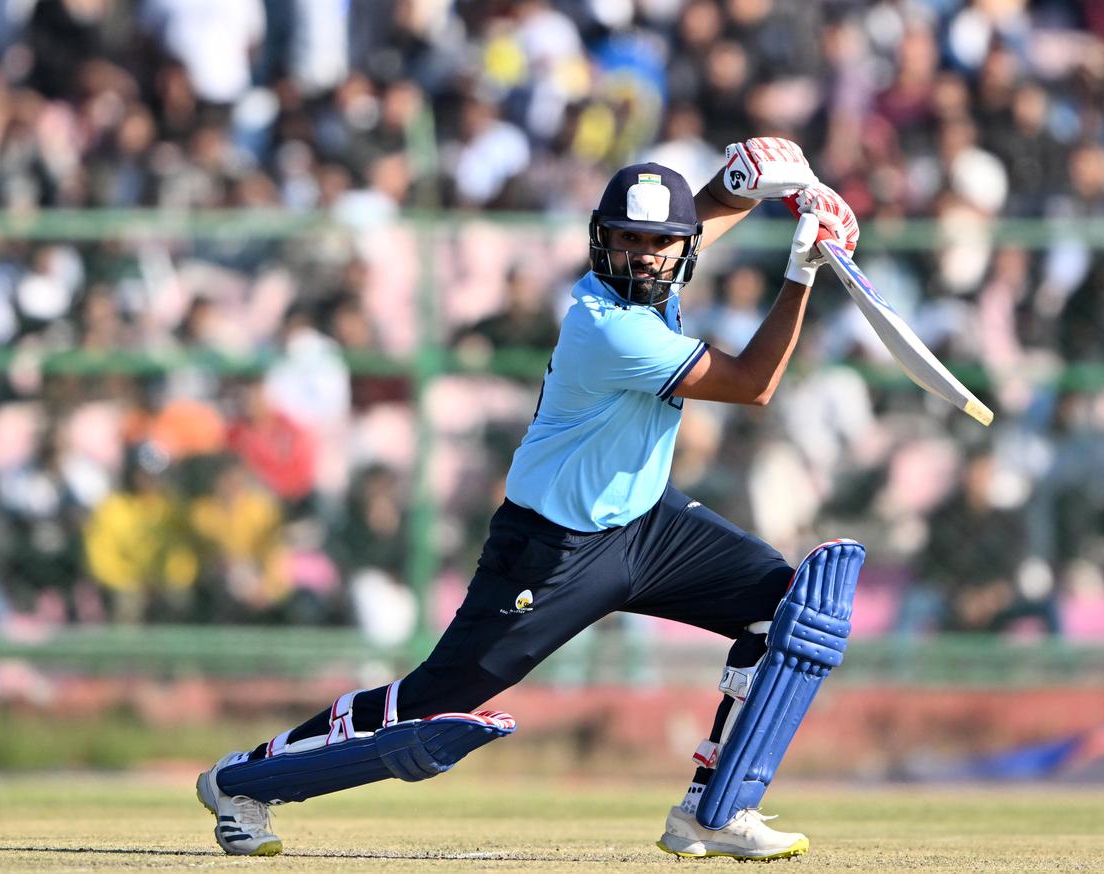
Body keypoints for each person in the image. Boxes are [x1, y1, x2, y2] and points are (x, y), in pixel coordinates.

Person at [196, 139, 865, 860]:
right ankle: (244, 780)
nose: (642, 257)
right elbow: (754, 386)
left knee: (786, 614)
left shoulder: (654, 281)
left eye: (657, 245)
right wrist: (802, 268)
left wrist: (745, 183)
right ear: (600, 243)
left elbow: (691, 220)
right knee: (433, 702)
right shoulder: (608, 327)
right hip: (551, 550)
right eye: (626, 242)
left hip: (648, 523)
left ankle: (715, 808)